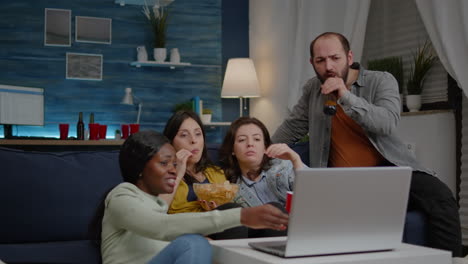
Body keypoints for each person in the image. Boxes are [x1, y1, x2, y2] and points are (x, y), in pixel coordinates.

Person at [271, 31, 462, 256]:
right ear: (312, 63)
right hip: (339, 179)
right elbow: (292, 128)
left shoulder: (381, 81)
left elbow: (387, 123)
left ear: (349, 57)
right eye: (320, 61)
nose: (328, 66)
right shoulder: (313, 90)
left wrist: (345, 96)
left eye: (335, 58)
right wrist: (257, 151)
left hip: (389, 170)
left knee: (440, 197)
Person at [100, 130, 288, 264]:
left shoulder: (156, 203)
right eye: (165, 163)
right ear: (140, 168)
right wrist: (241, 216)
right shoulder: (121, 196)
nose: (173, 170)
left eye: (175, 164)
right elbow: (160, 227)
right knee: (192, 243)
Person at [219, 116, 304, 208]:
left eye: (257, 139)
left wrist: (295, 159)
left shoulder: (284, 166)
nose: (250, 144)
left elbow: (313, 195)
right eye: (242, 140)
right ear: (232, 149)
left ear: (265, 147)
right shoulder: (230, 189)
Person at [162, 110, 226, 213]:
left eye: (197, 134)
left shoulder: (217, 173)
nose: (193, 140)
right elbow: (156, 212)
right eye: (183, 135)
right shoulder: (161, 175)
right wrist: (177, 174)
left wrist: (218, 211)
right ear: (170, 142)